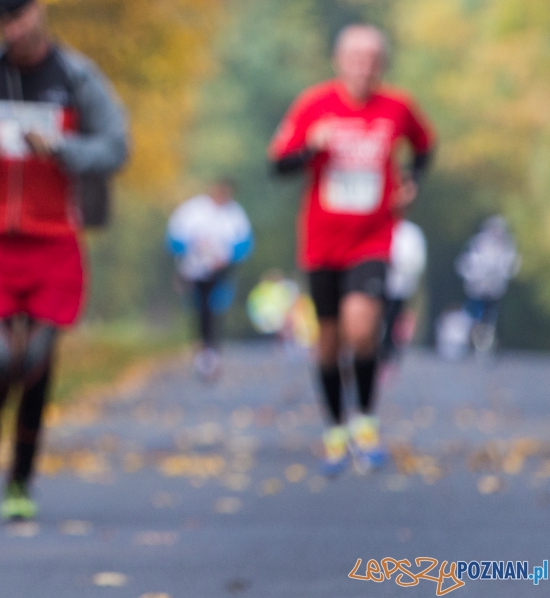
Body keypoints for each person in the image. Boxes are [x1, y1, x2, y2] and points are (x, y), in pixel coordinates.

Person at [0, 0, 129, 521]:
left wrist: (63, 148)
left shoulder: (76, 77)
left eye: (20, 16)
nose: (13, 30)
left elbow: (116, 146)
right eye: (3, 21)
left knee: (37, 360)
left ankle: (20, 478)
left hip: (55, 238)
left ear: (39, 9)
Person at [268, 24, 434, 475]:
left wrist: (412, 181)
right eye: (355, 57)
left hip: (374, 237)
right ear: (338, 61)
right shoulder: (314, 105)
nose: (364, 66)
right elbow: (277, 164)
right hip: (322, 242)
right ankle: (335, 430)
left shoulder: (397, 107)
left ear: (382, 64)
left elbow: (424, 145)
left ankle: (365, 422)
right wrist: (310, 146)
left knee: (362, 329)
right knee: (327, 341)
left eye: (372, 58)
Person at [165, 180, 253, 381]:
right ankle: (202, 350)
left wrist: (227, 257)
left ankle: (210, 351)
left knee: (214, 309)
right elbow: (173, 239)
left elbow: (245, 244)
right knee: (200, 309)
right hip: (194, 270)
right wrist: (192, 249)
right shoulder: (192, 210)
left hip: (220, 271)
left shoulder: (235, 214)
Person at [456, 215, 519, 357]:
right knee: (474, 315)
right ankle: (470, 341)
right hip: (477, 287)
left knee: (489, 317)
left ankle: (485, 344)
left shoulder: (506, 245)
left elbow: (510, 266)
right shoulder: (478, 243)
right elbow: (466, 263)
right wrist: (472, 276)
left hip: (494, 288)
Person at [380, 216, 426, 365]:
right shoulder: (382, 227)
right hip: (380, 280)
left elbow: (417, 260)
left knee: (393, 315)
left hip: (401, 283)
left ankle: (388, 346)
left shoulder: (411, 232)